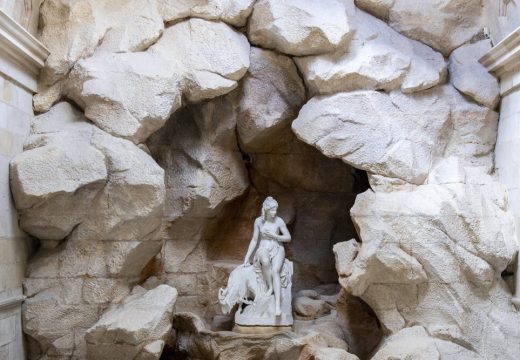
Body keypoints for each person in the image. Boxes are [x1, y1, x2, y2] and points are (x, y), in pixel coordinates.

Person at [243, 196, 291, 316]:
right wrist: (246, 257)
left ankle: (278, 306)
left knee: (275, 271)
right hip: (263, 247)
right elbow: (254, 240)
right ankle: (270, 286)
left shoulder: (279, 221)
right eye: (272, 210)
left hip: (277, 247)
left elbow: (288, 237)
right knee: (264, 261)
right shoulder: (258, 221)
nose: (274, 213)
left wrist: (275, 236)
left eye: (276, 210)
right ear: (266, 209)